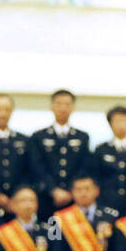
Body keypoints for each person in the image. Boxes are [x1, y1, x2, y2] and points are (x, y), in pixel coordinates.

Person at [29, 89, 90, 217]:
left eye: (67, 104)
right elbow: (37, 167)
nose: (63, 108)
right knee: (50, 234)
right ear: (51, 107)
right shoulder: (39, 136)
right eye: (59, 104)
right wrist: (53, 190)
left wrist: (70, 191)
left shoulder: (82, 137)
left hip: (74, 198)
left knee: (73, 235)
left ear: (73, 108)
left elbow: (84, 167)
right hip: (47, 198)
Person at [92, 105, 126, 215]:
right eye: (117, 121)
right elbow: (96, 176)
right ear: (110, 124)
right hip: (107, 202)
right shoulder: (101, 149)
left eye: (124, 121)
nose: (121, 125)